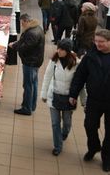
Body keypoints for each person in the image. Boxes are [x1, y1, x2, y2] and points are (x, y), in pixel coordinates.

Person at [69, 29, 110, 172]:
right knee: (89, 125)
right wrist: (73, 94)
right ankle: (93, 147)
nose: (98, 44)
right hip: (94, 99)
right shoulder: (90, 56)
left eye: (102, 42)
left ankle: (107, 157)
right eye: (96, 41)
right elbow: (80, 76)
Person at [40, 39, 84, 156]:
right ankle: (58, 146)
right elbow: (47, 76)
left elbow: (80, 83)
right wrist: (43, 93)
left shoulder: (77, 63)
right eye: (58, 48)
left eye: (62, 49)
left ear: (68, 51)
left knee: (67, 121)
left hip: (69, 98)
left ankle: (65, 132)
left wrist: (84, 101)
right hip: (54, 95)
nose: (59, 51)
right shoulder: (54, 60)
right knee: (55, 123)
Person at [9, 14, 45, 115]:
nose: (22, 25)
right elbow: (24, 42)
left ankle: (27, 108)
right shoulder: (36, 28)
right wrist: (17, 43)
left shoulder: (32, 33)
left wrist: (14, 46)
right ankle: (32, 105)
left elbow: (25, 46)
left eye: (22, 22)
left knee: (28, 85)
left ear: (26, 21)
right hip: (35, 61)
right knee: (33, 83)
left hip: (30, 62)